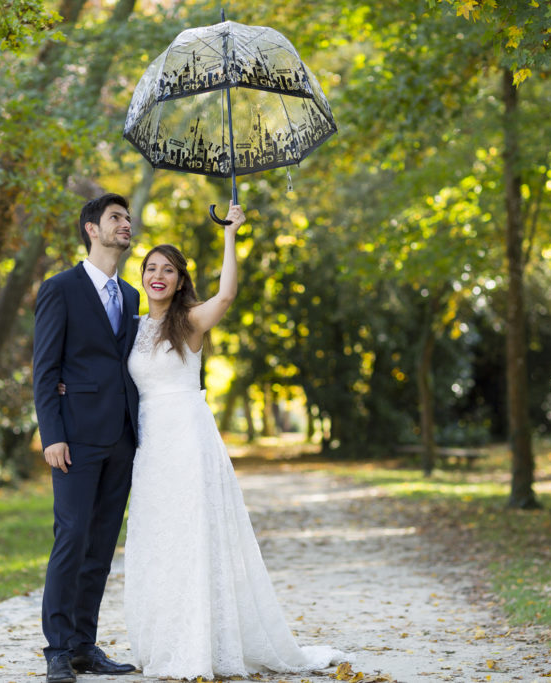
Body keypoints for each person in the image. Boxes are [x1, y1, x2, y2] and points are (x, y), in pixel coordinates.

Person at [121, 202, 346, 679]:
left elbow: (226, 294)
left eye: (168, 270)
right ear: (143, 276)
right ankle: (163, 641)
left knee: (192, 537)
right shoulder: (135, 328)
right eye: (151, 268)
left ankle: (200, 643)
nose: (158, 275)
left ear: (181, 281)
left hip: (187, 439)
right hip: (151, 447)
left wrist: (230, 234)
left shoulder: (191, 322)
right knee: (157, 541)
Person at [32, 193, 140, 683]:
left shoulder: (133, 296)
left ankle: (83, 646)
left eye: (127, 218)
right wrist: (51, 434)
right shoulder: (60, 288)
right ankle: (56, 648)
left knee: (100, 546)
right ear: (91, 229)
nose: (126, 224)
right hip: (73, 439)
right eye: (116, 218)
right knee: (71, 538)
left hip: (121, 439)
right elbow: (44, 369)